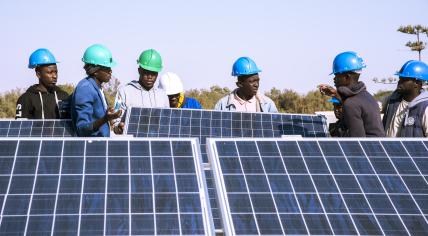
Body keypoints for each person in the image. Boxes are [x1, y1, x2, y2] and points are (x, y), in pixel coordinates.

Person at [319, 51, 384, 137]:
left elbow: (356, 143)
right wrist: (336, 94)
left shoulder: (351, 104)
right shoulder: (368, 97)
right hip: (376, 148)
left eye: (337, 75)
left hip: (367, 149)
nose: (334, 79)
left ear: (347, 77)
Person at [113, 49, 169, 134]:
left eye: (153, 73)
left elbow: (167, 124)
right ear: (139, 71)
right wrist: (119, 128)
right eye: (146, 72)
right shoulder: (125, 92)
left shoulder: (162, 96)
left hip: (156, 144)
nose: (150, 77)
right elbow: (115, 125)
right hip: (133, 145)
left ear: (157, 74)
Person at [71, 44, 121, 137]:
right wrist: (105, 119)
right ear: (95, 70)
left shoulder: (97, 87)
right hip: (90, 148)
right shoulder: (85, 89)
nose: (110, 71)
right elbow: (82, 128)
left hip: (99, 145)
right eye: (107, 68)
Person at [16, 48, 69, 119]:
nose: (54, 76)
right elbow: (21, 128)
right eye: (50, 72)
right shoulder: (26, 99)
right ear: (38, 74)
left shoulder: (64, 96)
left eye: (56, 72)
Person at [383, 60, 428, 137]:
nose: (399, 82)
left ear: (416, 83)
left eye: (404, 79)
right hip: (388, 148)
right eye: (400, 78)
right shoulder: (391, 100)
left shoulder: (425, 107)